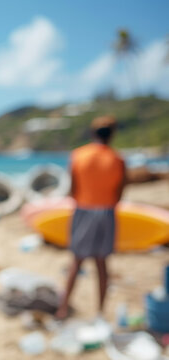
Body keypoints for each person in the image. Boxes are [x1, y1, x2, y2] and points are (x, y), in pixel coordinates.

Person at [55, 115, 126, 320]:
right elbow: (119, 193)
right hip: (106, 212)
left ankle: (63, 308)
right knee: (102, 264)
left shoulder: (78, 155)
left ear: (93, 133)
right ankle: (100, 312)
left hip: (83, 210)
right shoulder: (118, 159)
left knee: (76, 262)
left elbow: (72, 189)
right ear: (112, 135)